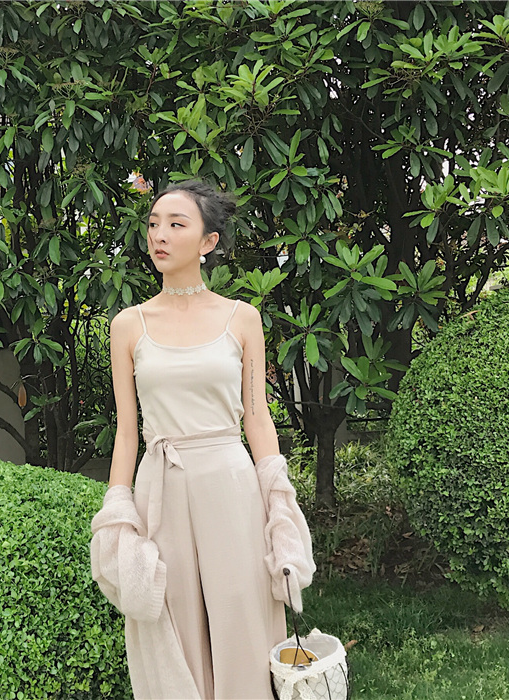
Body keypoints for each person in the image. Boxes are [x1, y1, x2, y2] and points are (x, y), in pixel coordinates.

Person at [99, 179, 311, 699]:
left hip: (229, 484)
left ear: (208, 242)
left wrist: (279, 505)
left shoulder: (242, 318)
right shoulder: (128, 325)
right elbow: (127, 431)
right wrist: (117, 511)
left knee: (244, 614)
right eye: (153, 224)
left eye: (176, 224)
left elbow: (257, 418)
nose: (160, 235)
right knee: (171, 618)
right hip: (161, 488)